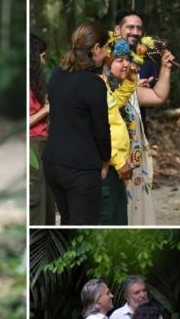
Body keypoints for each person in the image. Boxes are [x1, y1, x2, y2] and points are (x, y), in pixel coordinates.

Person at [42, 22, 110, 225]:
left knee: (67, 223)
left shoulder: (56, 76)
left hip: (52, 163)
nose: (107, 53)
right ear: (96, 48)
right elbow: (101, 131)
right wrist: (105, 160)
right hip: (80, 169)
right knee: (84, 228)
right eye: (105, 47)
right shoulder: (94, 84)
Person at [112, 9, 176, 225]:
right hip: (109, 142)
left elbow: (157, 96)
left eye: (139, 28)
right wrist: (127, 84)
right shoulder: (103, 55)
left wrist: (165, 70)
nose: (135, 32)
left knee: (136, 197)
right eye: (130, 27)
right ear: (117, 29)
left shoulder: (146, 58)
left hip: (136, 136)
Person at [99, 39, 139, 224]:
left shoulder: (104, 83)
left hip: (116, 162)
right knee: (109, 217)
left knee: (119, 216)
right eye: (118, 59)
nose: (125, 64)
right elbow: (101, 127)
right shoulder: (98, 83)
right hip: (109, 162)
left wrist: (131, 82)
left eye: (127, 59)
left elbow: (113, 104)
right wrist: (118, 160)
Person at [30, 33, 56, 225]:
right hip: (33, 144)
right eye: (42, 55)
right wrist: (46, 109)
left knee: (47, 199)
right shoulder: (29, 85)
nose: (44, 60)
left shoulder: (37, 82)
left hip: (44, 143)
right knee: (36, 200)